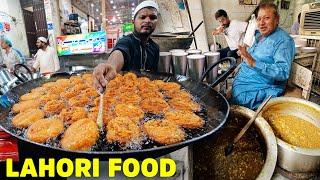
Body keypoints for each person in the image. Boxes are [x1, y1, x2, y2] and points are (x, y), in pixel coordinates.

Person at [232, 3, 295, 110]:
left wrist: (254, 63)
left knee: (241, 99)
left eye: (266, 18)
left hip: (263, 86)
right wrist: (239, 67)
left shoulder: (284, 41)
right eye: (259, 19)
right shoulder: (260, 36)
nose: (261, 23)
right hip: (245, 80)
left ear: (276, 19)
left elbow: (283, 72)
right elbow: (250, 57)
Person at [93, 0, 159, 92]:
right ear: (133, 21)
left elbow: (154, 76)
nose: (147, 20)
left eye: (152, 17)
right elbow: (119, 52)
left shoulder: (155, 48)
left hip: (148, 94)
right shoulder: (126, 41)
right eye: (142, 17)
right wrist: (111, 66)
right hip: (124, 95)